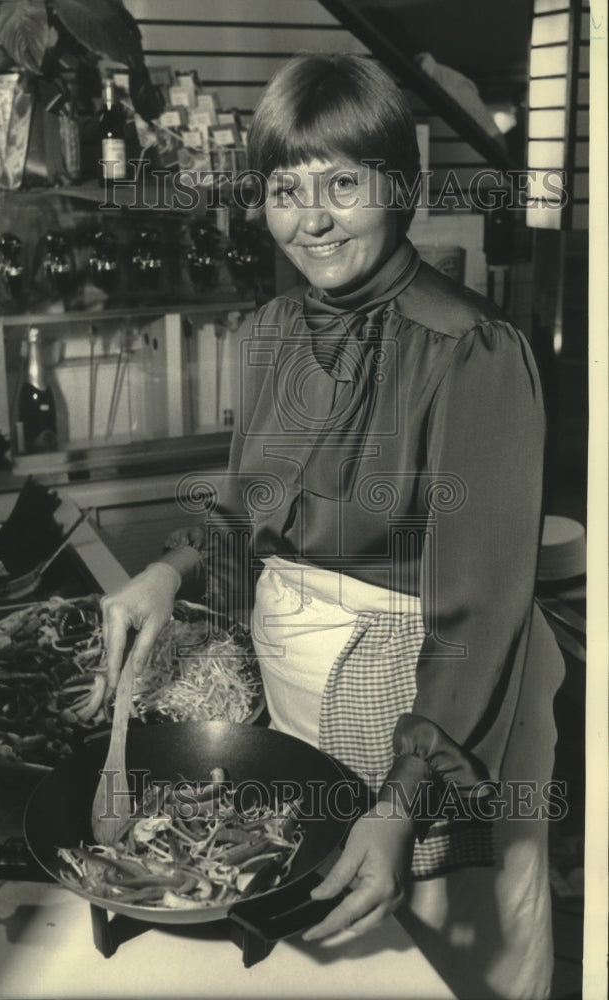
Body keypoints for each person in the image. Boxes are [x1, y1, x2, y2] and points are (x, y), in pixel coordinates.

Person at [100, 54, 564, 1000]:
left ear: (401, 184)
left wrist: (405, 800)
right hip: (308, 692)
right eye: (284, 188)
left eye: (342, 184)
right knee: (338, 956)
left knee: (441, 958)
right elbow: (248, 510)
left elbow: (478, 618)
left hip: (434, 717)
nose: (311, 219)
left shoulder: (469, 350)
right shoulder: (270, 332)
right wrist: (173, 572)